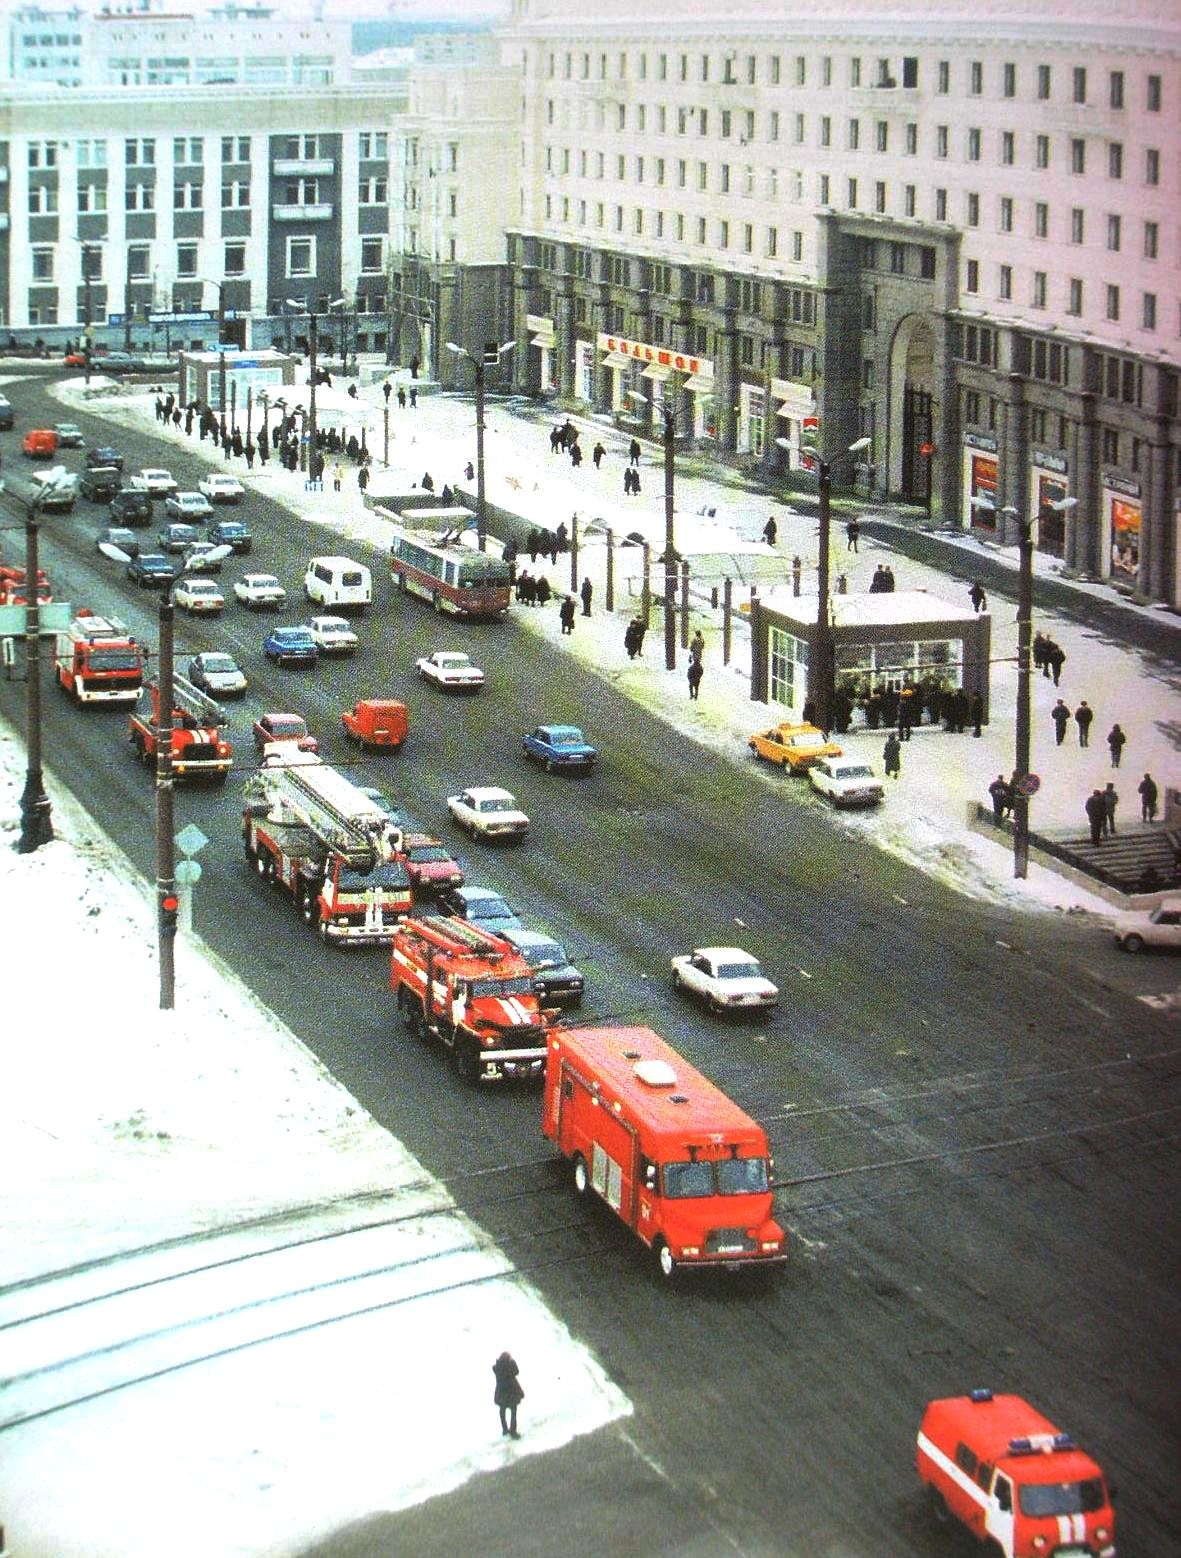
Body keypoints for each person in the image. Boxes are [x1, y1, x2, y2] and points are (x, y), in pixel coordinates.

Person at [493, 1351, 523, 1439]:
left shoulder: (496, 1367)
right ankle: (513, 1431)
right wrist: (512, 1362)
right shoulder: (510, 1365)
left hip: (501, 1392)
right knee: (513, 1412)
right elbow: (517, 1372)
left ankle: (505, 1430)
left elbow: (494, 1368)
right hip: (511, 1392)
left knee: (502, 1411)